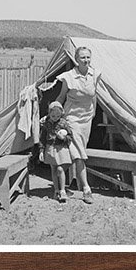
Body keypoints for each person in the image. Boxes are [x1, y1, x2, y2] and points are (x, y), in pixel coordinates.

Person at [55, 45, 98, 204]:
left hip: (87, 118)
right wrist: (55, 114)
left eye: (88, 57)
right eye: (82, 58)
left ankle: (61, 184)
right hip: (72, 117)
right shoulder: (69, 77)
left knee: (77, 152)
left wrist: (93, 113)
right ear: (76, 59)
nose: (86, 60)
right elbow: (61, 97)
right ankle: (86, 189)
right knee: (79, 153)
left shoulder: (95, 75)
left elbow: (94, 95)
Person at [40, 101, 73, 204]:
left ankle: (63, 190)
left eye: (58, 115)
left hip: (61, 149)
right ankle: (56, 190)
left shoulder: (63, 123)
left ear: (61, 114)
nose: (55, 117)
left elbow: (70, 136)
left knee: (60, 169)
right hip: (50, 148)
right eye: (53, 115)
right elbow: (42, 138)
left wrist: (64, 137)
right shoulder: (46, 124)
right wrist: (41, 150)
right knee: (53, 169)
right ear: (49, 114)